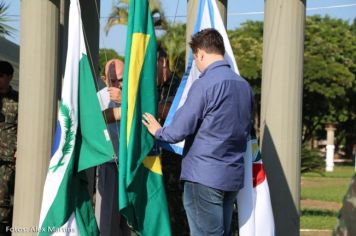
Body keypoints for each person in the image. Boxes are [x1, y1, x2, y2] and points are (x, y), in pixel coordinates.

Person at [143, 28, 254, 236]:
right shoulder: (244, 86)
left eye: (195, 59)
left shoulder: (204, 85)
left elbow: (177, 131)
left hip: (203, 177)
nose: (196, 64)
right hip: (232, 176)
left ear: (201, 53)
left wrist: (158, 131)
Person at [156, 46, 190, 236]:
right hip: (154, 165)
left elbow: (173, 111)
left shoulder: (179, 85)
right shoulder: (154, 88)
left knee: (176, 218)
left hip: (174, 167)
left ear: (163, 63)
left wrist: (139, 104)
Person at [95, 59, 130, 236]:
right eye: (112, 81)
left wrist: (125, 102)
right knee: (108, 222)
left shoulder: (132, 95)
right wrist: (125, 109)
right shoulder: (100, 97)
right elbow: (98, 119)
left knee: (129, 224)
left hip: (132, 165)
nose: (117, 85)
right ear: (104, 79)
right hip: (110, 164)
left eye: (121, 80)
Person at [0, 61, 17, 234]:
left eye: (1, 76)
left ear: (9, 77)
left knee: (3, 199)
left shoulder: (19, 99)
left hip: (7, 157)